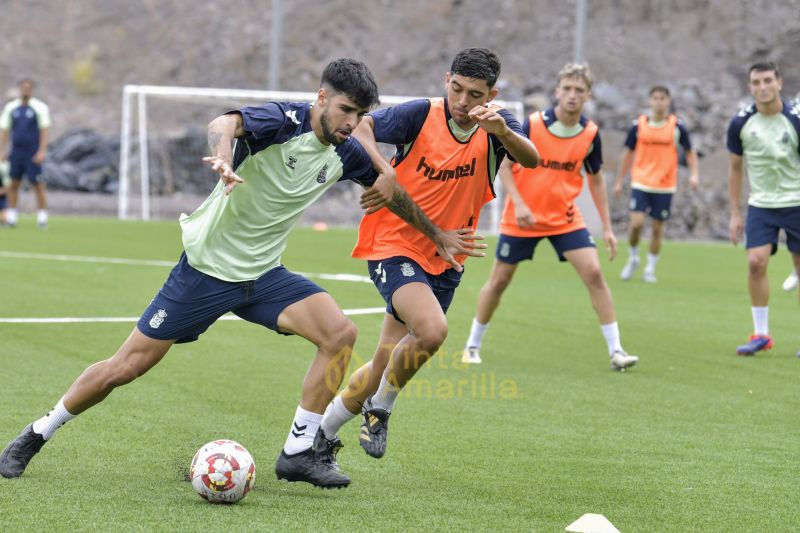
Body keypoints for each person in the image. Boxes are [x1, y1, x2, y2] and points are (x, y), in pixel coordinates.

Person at [0, 59, 476, 488]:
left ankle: (297, 452)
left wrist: (433, 232)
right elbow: (223, 122)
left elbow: (392, 193)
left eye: (358, 115)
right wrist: (225, 155)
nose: (350, 123)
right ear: (321, 98)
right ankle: (39, 432)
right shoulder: (284, 121)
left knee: (340, 333)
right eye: (344, 110)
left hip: (264, 276)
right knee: (125, 367)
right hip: (205, 273)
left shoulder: (346, 150)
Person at [315, 48, 539, 462]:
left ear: (492, 93)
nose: (463, 102)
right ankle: (380, 409)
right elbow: (362, 127)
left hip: (446, 257)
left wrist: (503, 133)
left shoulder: (499, 126)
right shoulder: (419, 114)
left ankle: (321, 435)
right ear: (445, 80)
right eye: (456, 89)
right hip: (393, 242)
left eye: (475, 94)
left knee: (384, 361)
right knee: (433, 331)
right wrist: (386, 169)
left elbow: (532, 157)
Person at [462, 63, 639, 371]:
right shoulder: (532, 124)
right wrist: (520, 204)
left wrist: (607, 228)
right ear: (557, 91)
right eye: (567, 89)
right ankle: (472, 345)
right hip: (522, 218)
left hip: (564, 219)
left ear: (588, 95)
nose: (572, 95)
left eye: (579, 90)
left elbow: (596, 180)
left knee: (595, 275)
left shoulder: (590, 134)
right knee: (500, 280)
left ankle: (617, 351)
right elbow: (505, 167)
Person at [727, 61, 800, 356]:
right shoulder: (740, 123)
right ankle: (761, 334)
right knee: (755, 263)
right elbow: (735, 168)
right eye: (756, 83)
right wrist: (734, 212)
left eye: (768, 80)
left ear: (779, 83)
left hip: (797, 201)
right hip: (761, 205)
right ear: (750, 87)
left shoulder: (795, 119)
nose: (763, 87)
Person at [613, 86, 699, 283]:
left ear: (668, 101)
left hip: (665, 185)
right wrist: (619, 181)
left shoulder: (677, 127)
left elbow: (689, 152)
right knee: (636, 224)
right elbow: (627, 154)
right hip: (641, 181)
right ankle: (633, 257)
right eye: (655, 98)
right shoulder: (639, 126)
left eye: (662, 98)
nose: (659, 102)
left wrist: (694, 174)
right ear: (650, 101)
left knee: (657, 229)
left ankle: (650, 267)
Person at [0, 79, 51, 228]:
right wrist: (1, 150)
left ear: (32, 90)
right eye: (23, 87)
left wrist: (41, 151)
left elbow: (44, 130)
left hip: (32, 152)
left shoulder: (39, 107)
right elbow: (5, 130)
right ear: (19, 89)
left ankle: (42, 219)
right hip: (16, 152)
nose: (25, 90)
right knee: (13, 185)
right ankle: (12, 218)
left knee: (38, 185)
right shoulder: (11, 108)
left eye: (28, 88)